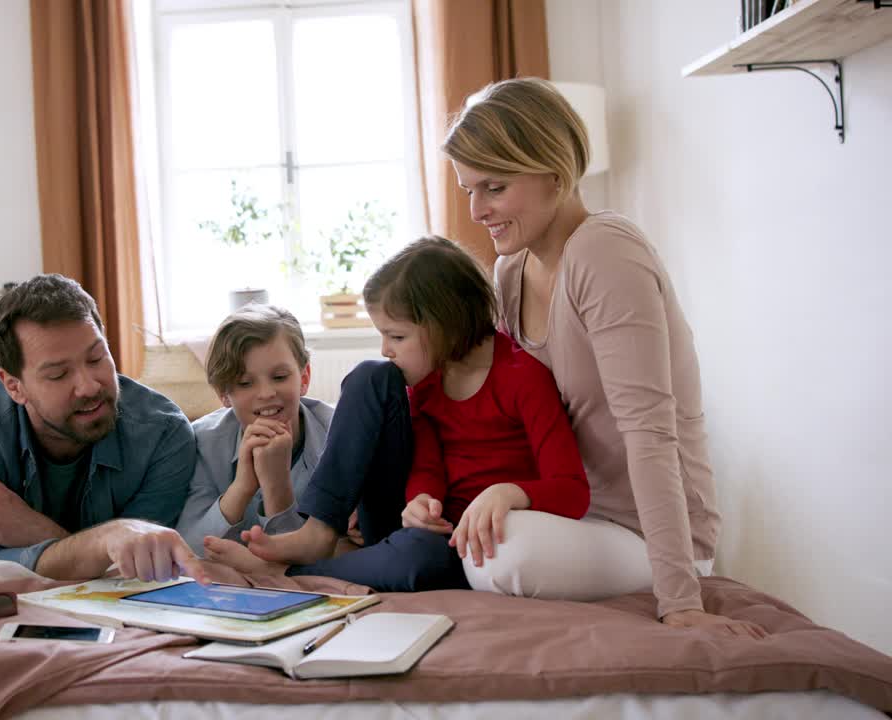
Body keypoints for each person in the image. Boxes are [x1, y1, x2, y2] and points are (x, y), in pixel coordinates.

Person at [442, 77, 765, 637]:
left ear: (553, 170)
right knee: (477, 534)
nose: (476, 211)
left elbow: (649, 433)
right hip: (573, 511)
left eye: (493, 188)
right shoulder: (511, 271)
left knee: (499, 553)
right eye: (468, 189)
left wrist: (681, 603)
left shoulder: (605, 251)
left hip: (646, 532)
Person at [205, 237, 590, 592]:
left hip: (456, 541)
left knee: (419, 558)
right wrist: (421, 500)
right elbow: (426, 464)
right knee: (370, 375)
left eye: (397, 336)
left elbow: (573, 490)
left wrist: (507, 493)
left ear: (443, 325)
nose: (387, 348)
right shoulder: (424, 382)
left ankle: (289, 575)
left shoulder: (524, 379)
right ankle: (319, 531)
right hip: (412, 523)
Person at [0, 274, 205, 584]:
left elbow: (132, 569)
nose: (89, 386)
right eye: (59, 375)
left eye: (97, 358)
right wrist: (106, 542)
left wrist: (34, 529)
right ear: (14, 386)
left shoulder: (164, 433)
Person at [176, 305, 334, 553]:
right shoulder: (202, 442)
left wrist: (276, 486)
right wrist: (243, 486)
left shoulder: (338, 433)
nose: (267, 393)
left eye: (280, 377)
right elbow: (190, 550)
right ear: (223, 394)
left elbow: (315, 554)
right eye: (245, 383)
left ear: (304, 377)